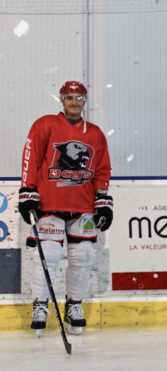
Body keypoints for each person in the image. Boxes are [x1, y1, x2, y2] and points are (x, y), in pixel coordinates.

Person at [18, 81, 113, 336]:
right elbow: (31, 157)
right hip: (49, 203)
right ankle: (40, 306)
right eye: (69, 97)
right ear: (62, 100)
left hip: (82, 205)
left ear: (85, 100)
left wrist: (103, 201)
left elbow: (102, 169)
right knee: (47, 255)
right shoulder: (45, 124)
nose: (74, 102)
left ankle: (73, 306)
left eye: (79, 97)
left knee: (84, 256)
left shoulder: (94, 132)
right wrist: (28, 191)